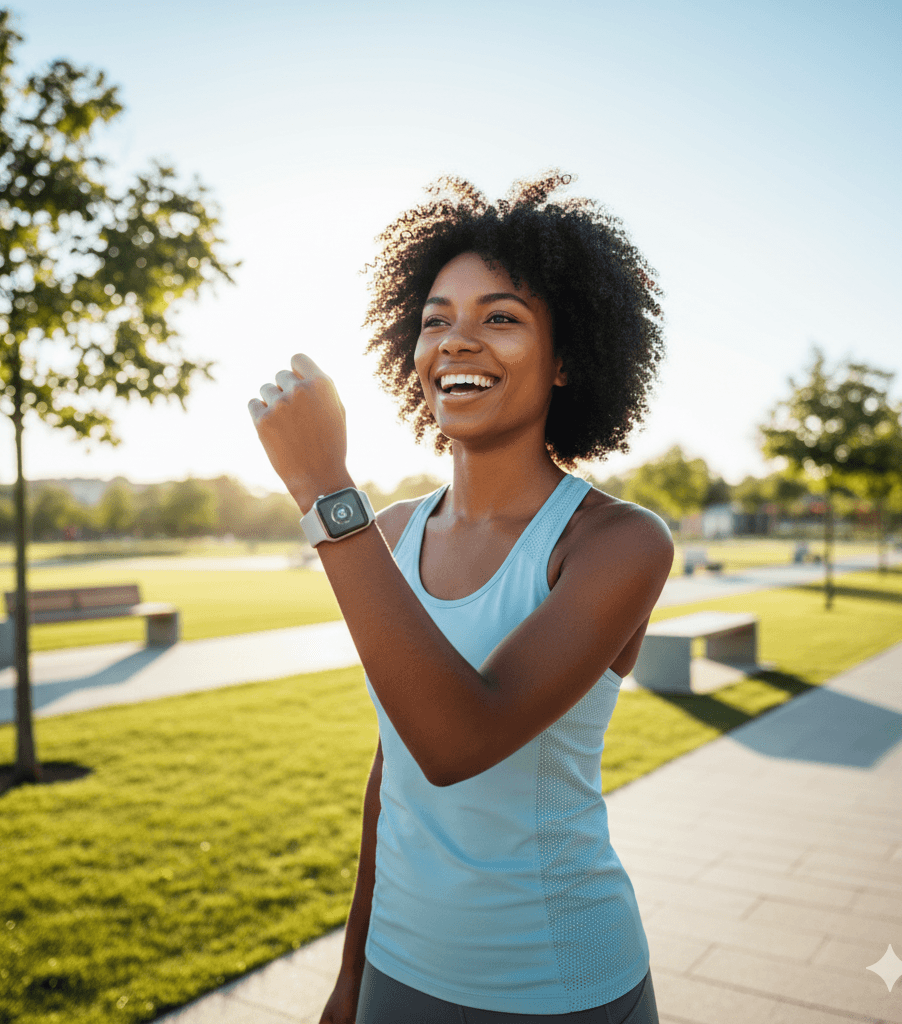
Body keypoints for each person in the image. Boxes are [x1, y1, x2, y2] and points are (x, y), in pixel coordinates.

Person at [248, 171, 671, 1023]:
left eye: (501, 318)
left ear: (567, 361)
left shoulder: (616, 542)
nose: (457, 341)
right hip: (398, 973)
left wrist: (326, 490)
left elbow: (456, 739)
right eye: (436, 319)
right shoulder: (393, 533)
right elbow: (397, 771)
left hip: (559, 986)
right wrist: (352, 973)